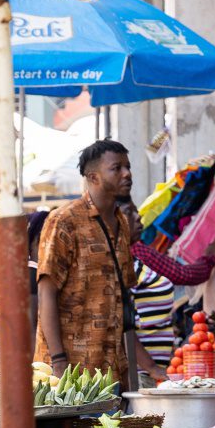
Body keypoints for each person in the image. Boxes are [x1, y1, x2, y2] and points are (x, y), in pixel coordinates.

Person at [37, 140, 144, 382]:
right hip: (70, 373)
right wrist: (59, 361)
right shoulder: (64, 220)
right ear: (93, 177)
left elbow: (122, 298)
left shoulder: (122, 224)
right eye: (117, 168)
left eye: (128, 167)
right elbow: (46, 293)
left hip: (111, 372)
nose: (127, 174)